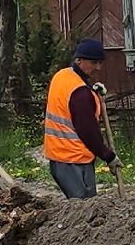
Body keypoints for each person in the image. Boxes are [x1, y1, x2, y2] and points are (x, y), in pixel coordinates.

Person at [43, 38, 122, 199]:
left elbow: (67, 106)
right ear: (79, 60)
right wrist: (108, 156)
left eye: (100, 63)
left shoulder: (62, 76)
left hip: (58, 157)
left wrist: (91, 90)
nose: (98, 67)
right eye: (94, 63)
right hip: (75, 160)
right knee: (84, 208)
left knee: (78, 208)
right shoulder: (80, 93)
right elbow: (89, 132)